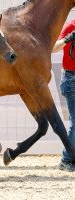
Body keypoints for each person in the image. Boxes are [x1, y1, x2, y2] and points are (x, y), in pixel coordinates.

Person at [53, 19, 75, 171]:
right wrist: (69, 38)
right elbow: (53, 48)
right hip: (71, 79)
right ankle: (66, 160)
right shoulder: (71, 26)